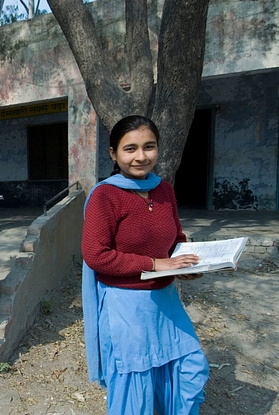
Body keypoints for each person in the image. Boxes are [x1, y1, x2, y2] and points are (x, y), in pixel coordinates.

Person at [81, 115, 209, 415]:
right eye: (130, 148)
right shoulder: (105, 195)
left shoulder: (164, 190)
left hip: (166, 301)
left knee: (190, 368)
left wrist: (186, 265)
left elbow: (175, 238)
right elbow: (96, 255)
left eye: (149, 147)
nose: (141, 156)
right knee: (135, 389)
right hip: (127, 305)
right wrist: (155, 264)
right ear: (113, 153)